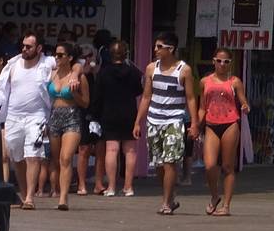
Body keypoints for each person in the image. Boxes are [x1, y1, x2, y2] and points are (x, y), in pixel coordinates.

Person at [0, 32, 53, 210]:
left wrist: (74, 73)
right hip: (13, 117)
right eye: (23, 46)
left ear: (39, 48)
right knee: (16, 157)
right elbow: (1, 91)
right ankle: (24, 193)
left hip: (37, 116)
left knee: (33, 155)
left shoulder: (48, 63)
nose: (24, 49)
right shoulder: (13, 64)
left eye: (29, 46)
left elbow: (76, 65)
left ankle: (29, 197)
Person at [134, 32, 193, 215]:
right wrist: (137, 122)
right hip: (154, 119)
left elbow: (190, 98)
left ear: (171, 49)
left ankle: (166, 202)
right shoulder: (152, 68)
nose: (155, 50)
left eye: (159, 47)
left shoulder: (184, 70)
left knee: (170, 161)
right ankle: (170, 195)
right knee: (158, 164)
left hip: (174, 120)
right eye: (155, 46)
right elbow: (146, 97)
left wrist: (195, 123)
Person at [194, 49, 249, 216]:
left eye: (226, 62)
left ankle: (226, 205)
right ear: (213, 61)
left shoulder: (235, 82)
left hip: (230, 123)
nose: (222, 64)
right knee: (210, 165)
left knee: (227, 166)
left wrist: (245, 107)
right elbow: (202, 107)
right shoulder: (205, 81)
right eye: (219, 61)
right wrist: (196, 124)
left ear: (230, 63)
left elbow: (243, 101)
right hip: (211, 123)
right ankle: (214, 196)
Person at [43, 42, 89, 211]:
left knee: (66, 157)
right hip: (54, 116)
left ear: (69, 58)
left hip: (72, 116)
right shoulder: (52, 74)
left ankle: (63, 198)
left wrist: (75, 93)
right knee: (55, 160)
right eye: (56, 54)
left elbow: (85, 103)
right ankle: (57, 191)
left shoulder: (78, 77)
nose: (57, 57)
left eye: (61, 55)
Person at [95, 40, 143, 198]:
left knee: (111, 150)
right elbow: (138, 90)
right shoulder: (134, 72)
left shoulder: (104, 72)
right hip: (129, 112)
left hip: (109, 112)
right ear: (125, 54)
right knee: (129, 151)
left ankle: (111, 187)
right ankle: (128, 187)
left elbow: (99, 94)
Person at [74, 42, 102, 196]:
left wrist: (95, 70)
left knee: (99, 149)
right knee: (84, 148)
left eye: (89, 56)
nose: (86, 60)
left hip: (98, 112)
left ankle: (98, 183)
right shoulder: (77, 74)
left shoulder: (99, 73)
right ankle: (81, 184)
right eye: (83, 57)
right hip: (82, 113)